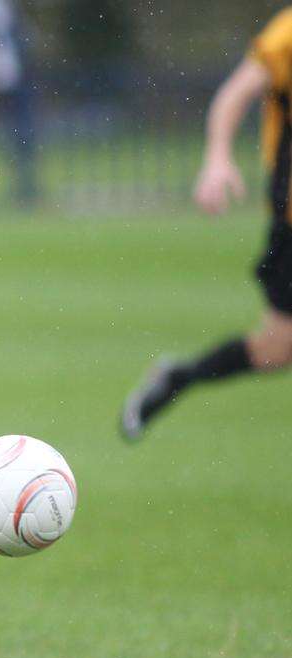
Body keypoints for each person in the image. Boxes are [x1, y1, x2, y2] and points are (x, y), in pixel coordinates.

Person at [121, 7, 292, 439]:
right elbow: (235, 95)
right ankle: (179, 378)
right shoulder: (287, 34)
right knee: (277, 348)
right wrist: (217, 157)